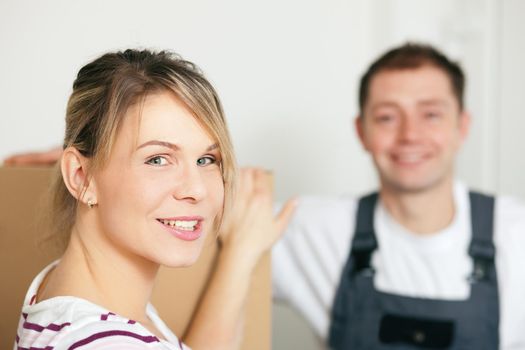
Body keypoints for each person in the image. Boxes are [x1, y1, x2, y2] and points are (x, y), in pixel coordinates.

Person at [13, 49, 295, 350]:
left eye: (206, 159)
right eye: (158, 159)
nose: (197, 190)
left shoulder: (76, 303)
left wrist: (241, 252)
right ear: (80, 177)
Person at [272, 43, 525, 349]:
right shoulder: (310, 229)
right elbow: (211, 235)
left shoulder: (516, 233)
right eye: (387, 118)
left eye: (431, 114)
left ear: (462, 126)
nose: (410, 135)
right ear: (361, 131)